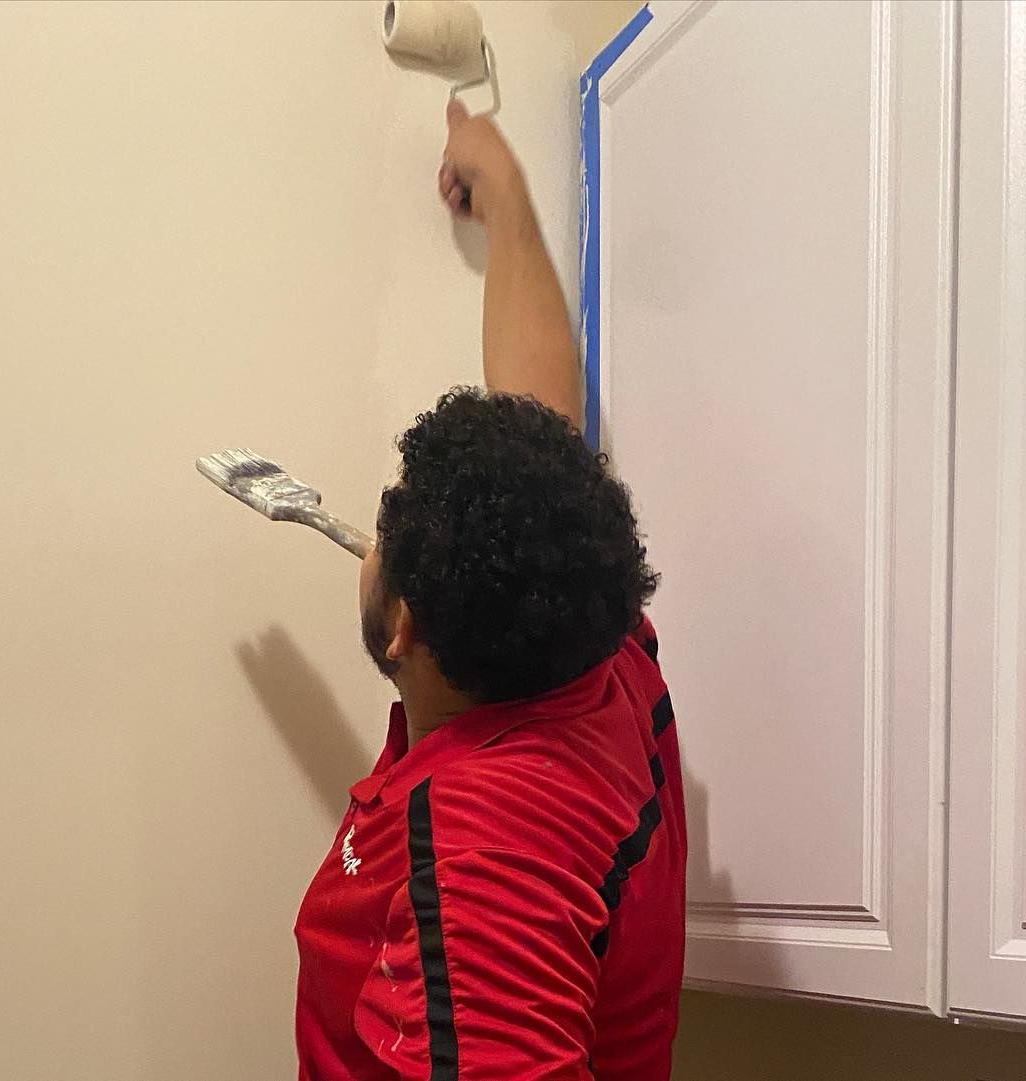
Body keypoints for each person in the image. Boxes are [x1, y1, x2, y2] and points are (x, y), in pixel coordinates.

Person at [293, 102, 687, 1081]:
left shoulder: (485, 857)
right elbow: (536, 425)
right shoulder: (590, 652)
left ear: (405, 629)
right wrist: (504, 191)